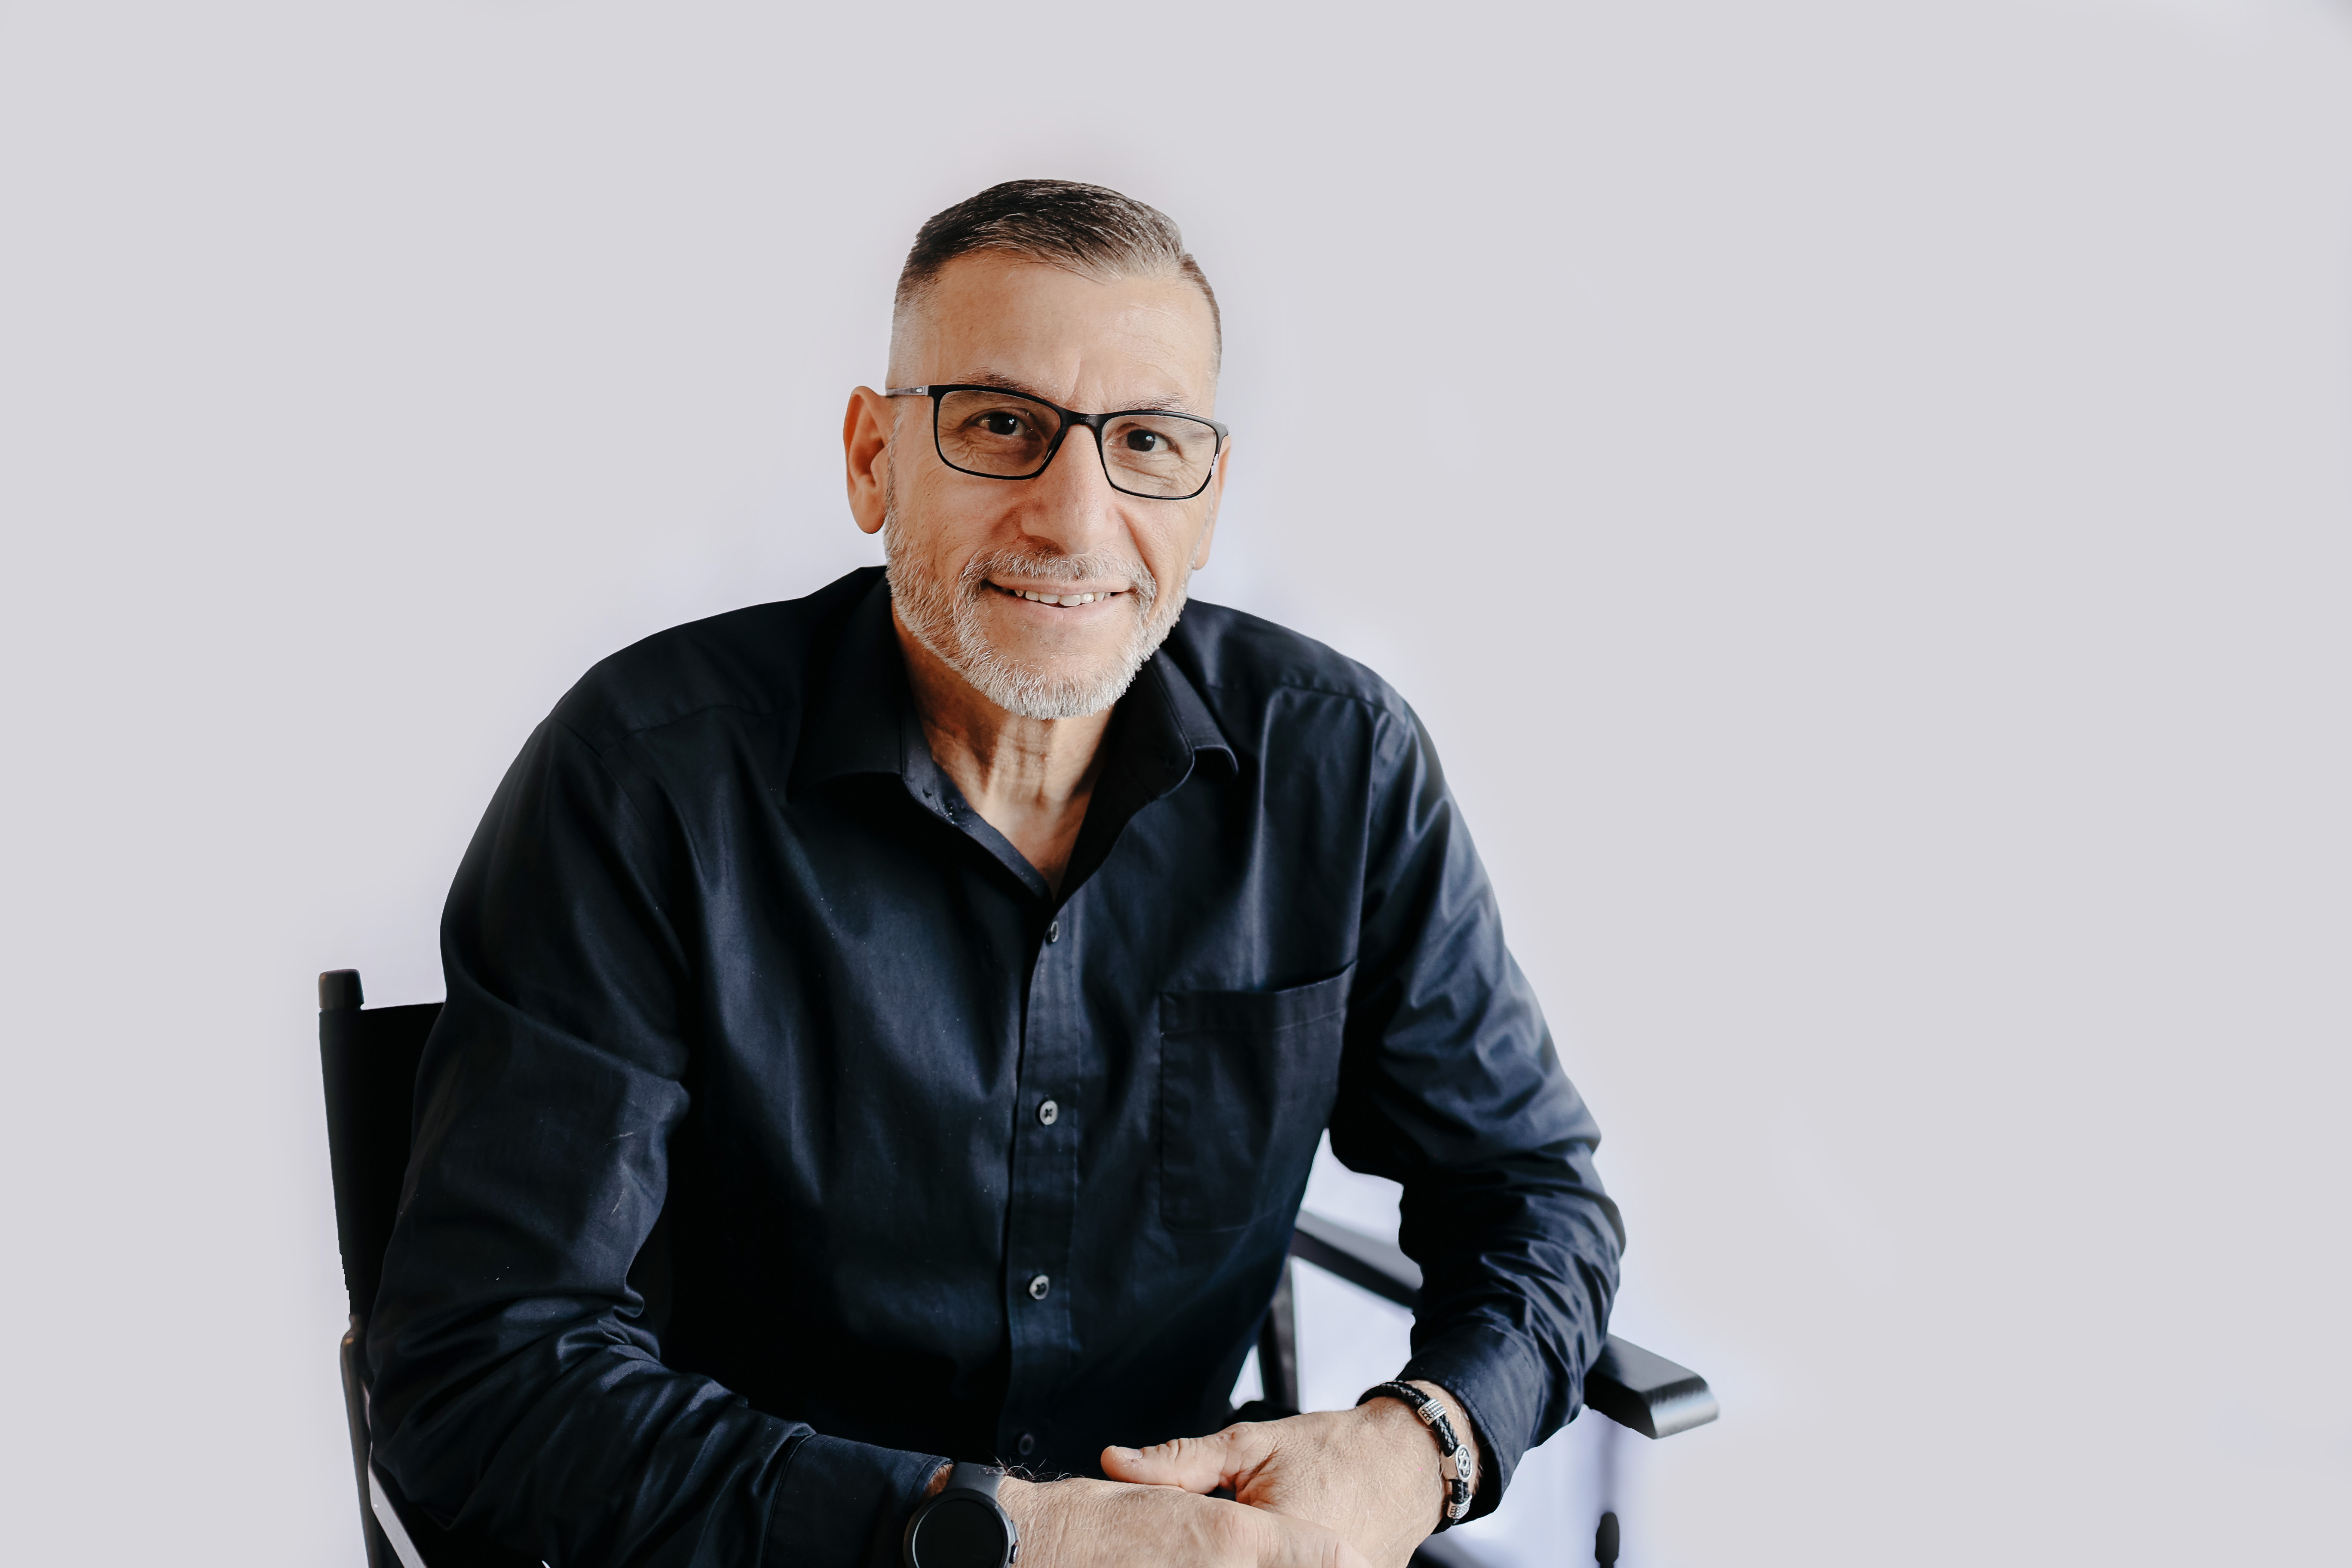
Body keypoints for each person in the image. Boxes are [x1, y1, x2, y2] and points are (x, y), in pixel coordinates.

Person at [367, 179, 1623, 1568]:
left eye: (1147, 442)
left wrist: (1419, 1445)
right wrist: (1010, 1536)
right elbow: (480, 1373)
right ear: (873, 461)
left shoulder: (1341, 766)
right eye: (1001, 426)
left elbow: (1533, 1197)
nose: (1075, 519)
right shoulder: (644, 780)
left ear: (1207, 502)